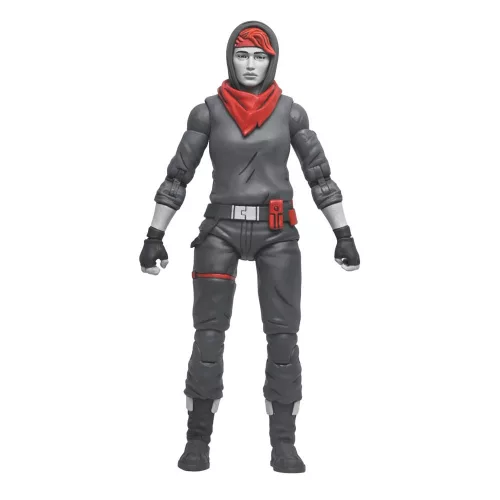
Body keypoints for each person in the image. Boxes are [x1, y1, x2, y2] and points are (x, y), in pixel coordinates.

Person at [139, 21, 360, 473]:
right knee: (208, 337)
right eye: (243, 55)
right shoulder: (207, 113)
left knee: (283, 339)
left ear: (272, 61)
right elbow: (178, 176)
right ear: (230, 58)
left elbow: (319, 176)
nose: (251, 64)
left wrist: (344, 234)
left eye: (260, 56)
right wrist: (154, 236)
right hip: (220, 229)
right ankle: (197, 440)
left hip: (276, 231)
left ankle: (284, 444)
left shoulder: (291, 113)